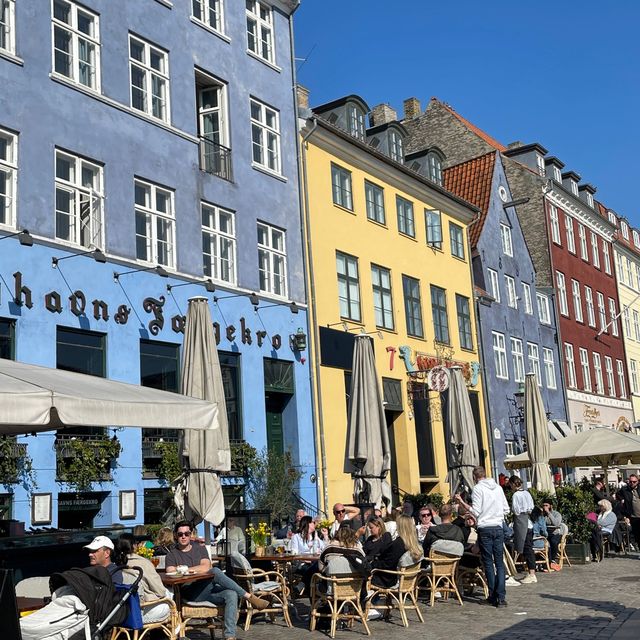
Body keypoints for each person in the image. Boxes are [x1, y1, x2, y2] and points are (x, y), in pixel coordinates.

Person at [166, 521, 269, 640]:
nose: (183, 537)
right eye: (180, 534)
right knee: (215, 571)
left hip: (207, 588)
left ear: (191, 534)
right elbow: (171, 571)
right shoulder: (172, 554)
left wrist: (184, 570)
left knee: (231, 593)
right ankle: (248, 596)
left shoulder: (200, 549)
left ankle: (230, 636)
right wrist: (192, 570)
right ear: (175, 535)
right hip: (189, 592)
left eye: (186, 533)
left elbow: (206, 566)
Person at [20, 536, 121, 640]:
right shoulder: (90, 572)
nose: (90, 554)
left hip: (85, 614)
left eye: (94, 551)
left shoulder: (114, 574)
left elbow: (105, 603)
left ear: (107, 553)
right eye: (90, 551)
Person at [455, 466, 510, 607]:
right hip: (498, 527)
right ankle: (501, 597)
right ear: (485, 475)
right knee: (499, 562)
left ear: (474, 477)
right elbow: (506, 509)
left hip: (485, 528)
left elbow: (476, 511)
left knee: (488, 563)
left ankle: (492, 596)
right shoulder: (498, 488)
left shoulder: (478, 489)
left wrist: (462, 503)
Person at [115, 533, 171, 623]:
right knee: (170, 594)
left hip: (122, 611)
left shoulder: (116, 565)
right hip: (142, 611)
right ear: (134, 546)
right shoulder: (143, 563)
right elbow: (160, 591)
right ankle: (174, 631)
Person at [369, 515, 422, 588]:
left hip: (389, 578)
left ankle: (370, 598)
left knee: (364, 574)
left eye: (397, 525)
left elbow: (388, 564)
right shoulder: (414, 544)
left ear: (401, 527)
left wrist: (372, 563)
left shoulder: (398, 544)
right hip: (408, 578)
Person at [509, 476, 537, 584]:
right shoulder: (527, 493)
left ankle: (531, 573)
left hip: (521, 522)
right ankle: (531, 572)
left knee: (526, 548)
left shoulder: (516, 495)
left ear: (512, 484)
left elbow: (516, 510)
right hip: (529, 522)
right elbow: (531, 507)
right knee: (528, 548)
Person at [616, 474, 640, 551]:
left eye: (634, 482)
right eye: (630, 482)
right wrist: (622, 499)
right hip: (633, 516)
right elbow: (618, 494)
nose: (632, 483)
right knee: (637, 534)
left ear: (638, 481)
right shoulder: (625, 489)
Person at [541, 499, 563, 571]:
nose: (545, 507)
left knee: (553, 541)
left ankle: (553, 559)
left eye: (546, 505)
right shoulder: (542, 515)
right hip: (546, 534)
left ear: (550, 506)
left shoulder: (556, 514)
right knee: (544, 543)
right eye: (544, 505)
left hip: (555, 533)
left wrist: (549, 513)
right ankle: (545, 561)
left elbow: (556, 523)